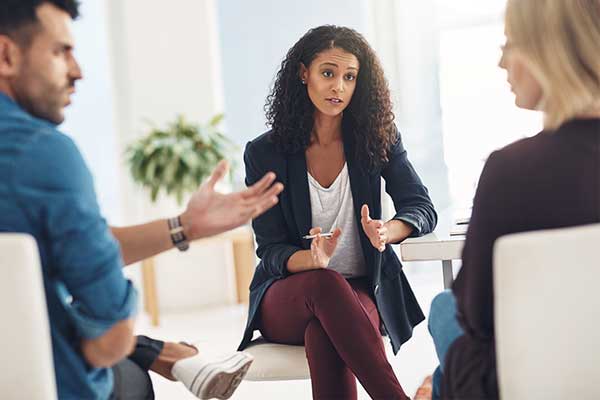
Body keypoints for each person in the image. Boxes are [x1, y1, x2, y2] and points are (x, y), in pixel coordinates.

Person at [0, 1, 284, 399]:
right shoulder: (41, 154)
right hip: (41, 385)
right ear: (7, 55)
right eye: (60, 51)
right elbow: (110, 338)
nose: (77, 71)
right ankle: (169, 356)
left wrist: (184, 227)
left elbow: (58, 251)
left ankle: (168, 356)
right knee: (127, 370)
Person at [238, 25, 437, 399]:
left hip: (359, 289)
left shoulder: (379, 139)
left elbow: (421, 207)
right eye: (328, 73)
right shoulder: (265, 152)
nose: (338, 87)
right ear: (303, 73)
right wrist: (310, 259)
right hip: (288, 295)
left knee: (326, 332)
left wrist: (387, 232)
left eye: (349, 77)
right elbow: (270, 248)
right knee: (326, 283)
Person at [419, 0, 600, 398]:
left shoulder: (511, 170)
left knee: (444, 309)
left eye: (509, 43)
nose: (502, 63)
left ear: (547, 48)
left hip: (525, 383)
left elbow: (478, 316)